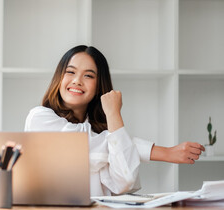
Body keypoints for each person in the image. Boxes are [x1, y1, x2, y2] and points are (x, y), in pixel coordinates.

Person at [24, 45, 205, 196]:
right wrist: (163, 152)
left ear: (99, 85)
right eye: (70, 72)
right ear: (59, 77)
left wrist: (113, 115)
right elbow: (81, 145)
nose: (77, 81)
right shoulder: (39, 118)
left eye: (88, 75)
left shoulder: (109, 132)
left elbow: (124, 182)